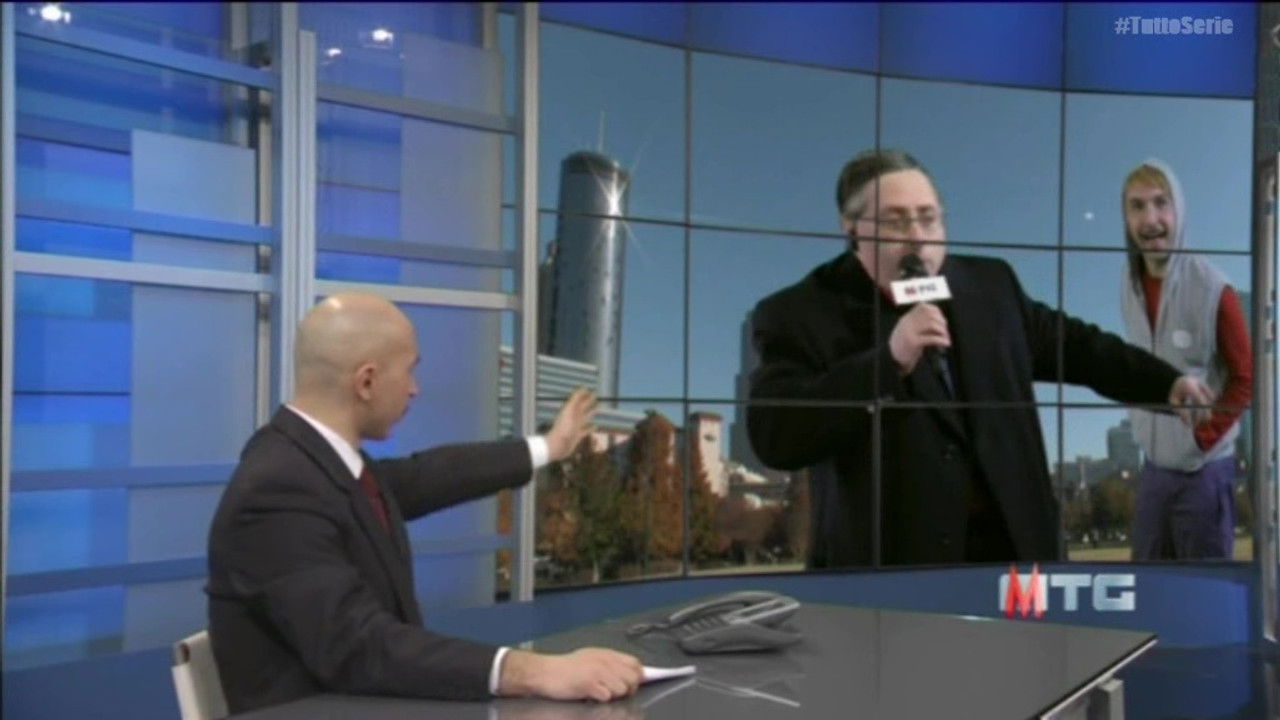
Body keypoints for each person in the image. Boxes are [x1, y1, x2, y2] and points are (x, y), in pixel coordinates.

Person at [746, 149, 1214, 568]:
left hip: (1021, 563)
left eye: (929, 219)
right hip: (895, 581)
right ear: (851, 231)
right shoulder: (797, 313)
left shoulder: (992, 286)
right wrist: (889, 362)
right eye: (895, 222)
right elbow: (775, 435)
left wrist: (1166, 384)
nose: (917, 238)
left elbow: (1080, 347)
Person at [206, 293, 643, 714]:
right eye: (410, 371)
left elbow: (430, 475)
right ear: (366, 381)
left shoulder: (321, 464)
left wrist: (548, 447)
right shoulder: (279, 487)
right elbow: (356, 646)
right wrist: (536, 672)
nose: (414, 390)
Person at [1119, 160, 1252, 560]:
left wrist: (1201, 439)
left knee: (1201, 588)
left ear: (1179, 210)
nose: (1150, 219)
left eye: (1161, 203)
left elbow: (1246, 377)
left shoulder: (1214, 289)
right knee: (1146, 584)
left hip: (1204, 474)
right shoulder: (1128, 283)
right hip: (1154, 471)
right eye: (1137, 206)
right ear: (1126, 217)